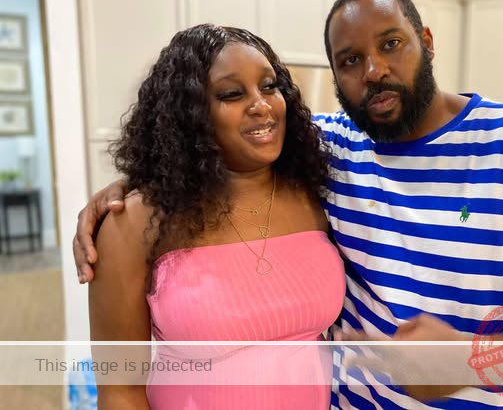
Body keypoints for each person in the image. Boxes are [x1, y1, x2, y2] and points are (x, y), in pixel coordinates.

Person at [75, 0, 503, 410]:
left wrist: (473, 362)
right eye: (350, 59)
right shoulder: (330, 150)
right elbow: (211, 144)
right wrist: (130, 192)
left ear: (427, 42)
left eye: (391, 44)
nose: (373, 71)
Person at [87, 23, 346, 409]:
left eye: (269, 86)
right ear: (188, 115)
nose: (261, 105)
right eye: (231, 94)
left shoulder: (316, 192)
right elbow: (120, 390)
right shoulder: (137, 221)